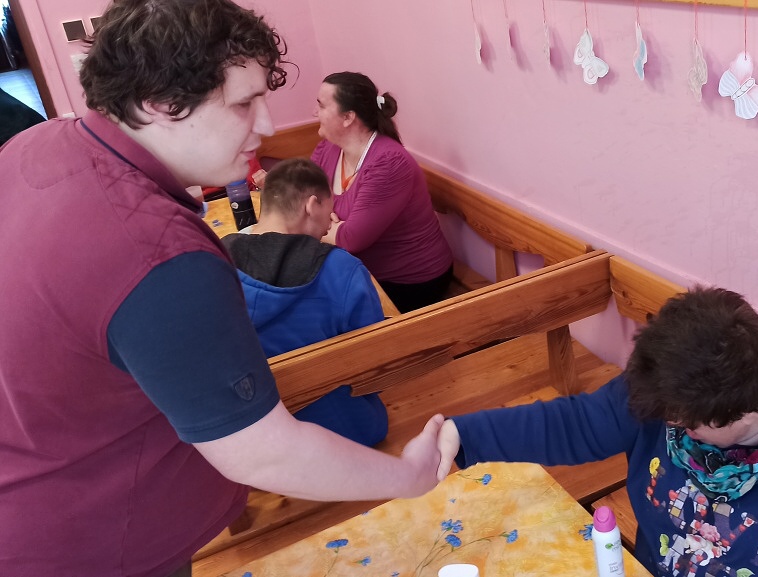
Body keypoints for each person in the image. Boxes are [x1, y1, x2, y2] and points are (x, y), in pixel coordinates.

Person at [0, 1, 443, 576]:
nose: (266, 124)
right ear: (159, 101)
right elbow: (263, 451)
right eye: (243, 103)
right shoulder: (159, 256)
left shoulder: (38, 142)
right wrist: (408, 476)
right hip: (93, 543)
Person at [436, 287, 758, 577]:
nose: (669, 427)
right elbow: (578, 423)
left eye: (683, 424)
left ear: (743, 415)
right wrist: (459, 434)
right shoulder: (672, 389)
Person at [222, 158, 388, 447]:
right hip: (346, 432)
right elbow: (377, 365)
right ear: (312, 205)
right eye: (329, 210)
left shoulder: (214, 261)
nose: (330, 223)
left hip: (252, 441)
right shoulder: (343, 270)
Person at [311, 71, 454, 313]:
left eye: (321, 106)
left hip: (410, 282)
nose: (315, 112)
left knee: (316, 310)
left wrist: (318, 221)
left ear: (348, 117)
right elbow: (305, 196)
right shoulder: (329, 147)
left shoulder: (388, 163)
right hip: (360, 272)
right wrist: (328, 224)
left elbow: (352, 238)